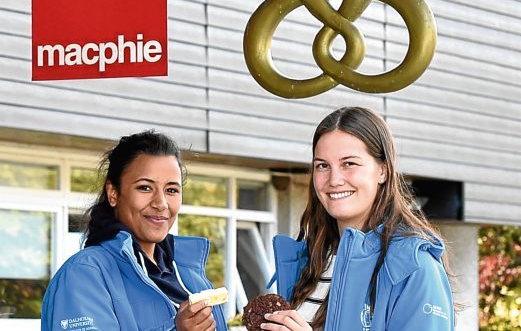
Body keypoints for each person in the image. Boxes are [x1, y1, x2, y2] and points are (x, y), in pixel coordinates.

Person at [262, 107, 455, 331]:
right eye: (323, 166)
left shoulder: (413, 266)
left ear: (383, 170)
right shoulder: (307, 263)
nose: (334, 180)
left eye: (349, 164)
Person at [41, 130, 227, 331]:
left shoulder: (192, 278)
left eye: (171, 190)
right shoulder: (84, 274)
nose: (161, 203)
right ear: (113, 193)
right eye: (145, 188)